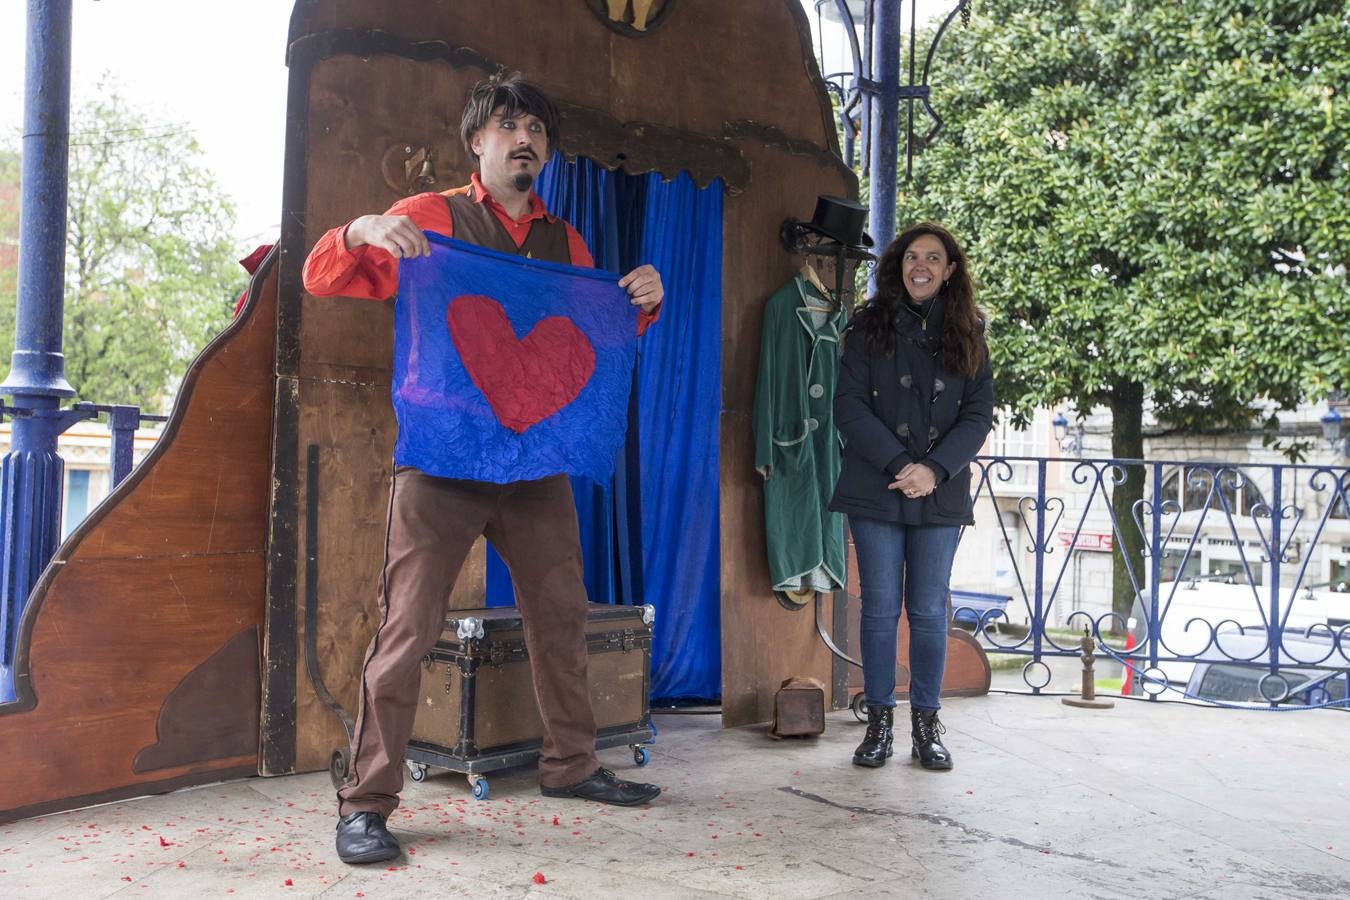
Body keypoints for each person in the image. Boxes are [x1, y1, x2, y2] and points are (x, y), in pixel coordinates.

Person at [302, 73, 665, 866]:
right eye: (508, 126)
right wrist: (363, 228)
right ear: (478, 141)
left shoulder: (567, 243)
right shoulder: (429, 216)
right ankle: (365, 803)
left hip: (536, 464)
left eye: (536, 128)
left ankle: (570, 766)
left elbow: (598, 340)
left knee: (562, 617)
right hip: (443, 460)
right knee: (406, 631)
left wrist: (642, 299)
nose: (524, 139)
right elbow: (321, 277)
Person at [829, 222, 993, 771]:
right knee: (878, 609)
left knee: (926, 609)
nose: (920, 266)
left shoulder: (970, 332)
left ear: (950, 271)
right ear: (898, 265)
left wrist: (934, 470)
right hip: (877, 483)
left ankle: (927, 725)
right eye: (911, 257)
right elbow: (848, 406)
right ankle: (878, 725)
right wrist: (903, 465)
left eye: (933, 258)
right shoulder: (867, 326)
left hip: (940, 490)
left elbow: (977, 416)